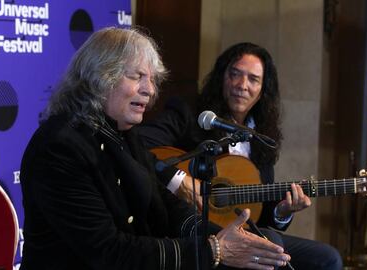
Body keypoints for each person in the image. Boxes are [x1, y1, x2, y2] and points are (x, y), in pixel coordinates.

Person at [19, 28, 292, 270]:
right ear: (101, 77)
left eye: (151, 80)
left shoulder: (124, 135)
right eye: (137, 77)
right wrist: (215, 249)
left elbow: (166, 205)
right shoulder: (60, 146)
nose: (149, 90)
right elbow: (107, 251)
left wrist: (224, 237)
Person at [138, 42, 343, 270]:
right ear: (221, 78)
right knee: (268, 245)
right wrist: (179, 180)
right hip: (187, 225)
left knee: (328, 258)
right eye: (234, 74)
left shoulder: (261, 136)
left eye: (253, 79)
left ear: (263, 90)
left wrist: (282, 211)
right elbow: (138, 143)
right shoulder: (190, 113)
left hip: (239, 230)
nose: (242, 85)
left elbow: (258, 213)